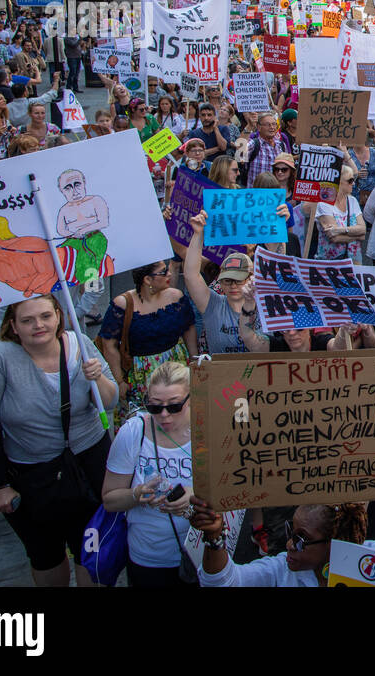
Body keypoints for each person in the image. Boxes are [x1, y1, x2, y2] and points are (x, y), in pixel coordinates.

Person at [0, 295, 119, 586]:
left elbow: (110, 402)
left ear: (58, 316)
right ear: (12, 326)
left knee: (91, 545)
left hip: (89, 464)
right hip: (33, 474)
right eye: (27, 320)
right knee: (45, 552)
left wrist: (97, 378)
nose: (39, 325)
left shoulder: (80, 343)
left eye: (45, 316)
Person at [101, 362, 197, 587]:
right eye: (154, 407)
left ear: (192, 398)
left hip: (203, 554)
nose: (164, 415)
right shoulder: (134, 432)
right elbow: (109, 499)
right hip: (149, 558)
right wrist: (136, 495)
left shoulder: (209, 429)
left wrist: (195, 495)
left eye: (174, 406)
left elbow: (236, 495)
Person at [97, 261, 197, 421]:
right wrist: (119, 381)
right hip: (140, 376)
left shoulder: (176, 296)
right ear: (147, 280)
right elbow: (109, 345)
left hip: (177, 366)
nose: (169, 274)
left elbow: (188, 327)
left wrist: (194, 358)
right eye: (163, 272)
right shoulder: (122, 304)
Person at [190, 500, 368, 586]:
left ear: (333, 544)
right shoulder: (282, 569)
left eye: (301, 539)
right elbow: (223, 582)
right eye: (290, 532)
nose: (289, 544)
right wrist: (214, 538)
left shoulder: (372, 564)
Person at [183, 223, 270, 354]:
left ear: (251, 278)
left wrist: (278, 224)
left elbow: (277, 262)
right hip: (222, 373)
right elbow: (191, 275)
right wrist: (198, 234)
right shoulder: (213, 304)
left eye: (239, 280)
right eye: (227, 280)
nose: (233, 286)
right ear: (220, 282)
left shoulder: (266, 303)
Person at [309, 165, 365, 263]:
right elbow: (334, 237)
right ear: (338, 182)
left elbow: (363, 230)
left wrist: (341, 230)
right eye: (350, 180)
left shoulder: (352, 201)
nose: (353, 183)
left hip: (354, 262)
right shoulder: (323, 203)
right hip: (330, 263)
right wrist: (357, 236)